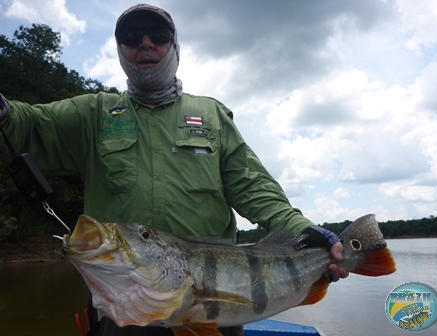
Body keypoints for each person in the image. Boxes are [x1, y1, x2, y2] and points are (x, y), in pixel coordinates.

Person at [0, 4, 348, 336]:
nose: (146, 43)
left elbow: (254, 186)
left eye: (158, 34)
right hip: (126, 313)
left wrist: (302, 231)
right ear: (121, 49)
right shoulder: (93, 113)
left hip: (212, 302)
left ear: (174, 46)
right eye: (132, 36)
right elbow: (26, 127)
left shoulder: (211, 115)